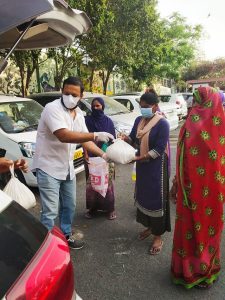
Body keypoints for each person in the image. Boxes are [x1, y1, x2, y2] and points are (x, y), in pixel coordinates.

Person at [32, 77, 114, 250]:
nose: (69, 97)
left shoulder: (79, 115)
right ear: (62, 91)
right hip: (47, 166)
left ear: (81, 96)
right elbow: (64, 135)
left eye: (74, 94)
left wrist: (103, 154)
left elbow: (84, 140)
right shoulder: (51, 108)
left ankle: (66, 236)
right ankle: (46, 248)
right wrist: (94, 135)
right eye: (66, 93)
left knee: (69, 205)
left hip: (66, 167)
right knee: (50, 210)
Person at [170, 86, 225, 289]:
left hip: (201, 190)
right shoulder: (209, 122)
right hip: (198, 190)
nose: (193, 104)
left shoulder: (199, 123)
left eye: (195, 100)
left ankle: (199, 270)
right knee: (196, 228)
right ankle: (197, 269)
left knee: (197, 228)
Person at [122, 92, 171, 255]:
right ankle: (150, 228)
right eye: (141, 107)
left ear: (155, 106)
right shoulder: (139, 120)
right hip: (142, 166)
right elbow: (134, 140)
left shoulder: (163, 123)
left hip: (156, 167)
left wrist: (139, 157)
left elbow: (159, 149)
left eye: (146, 107)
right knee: (145, 197)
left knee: (156, 200)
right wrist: (125, 140)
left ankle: (158, 236)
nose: (143, 110)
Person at [84, 97, 116, 220]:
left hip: (106, 156)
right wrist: (85, 153)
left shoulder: (108, 121)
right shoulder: (86, 120)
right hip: (91, 156)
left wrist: (111, 155)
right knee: (92, 183)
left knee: (107, 184)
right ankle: (92, 208)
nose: (95, 108)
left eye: (98, 106)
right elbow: (84, 138)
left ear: (103, 106)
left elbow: (113, 140)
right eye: (93, 106)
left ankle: (110, 209)